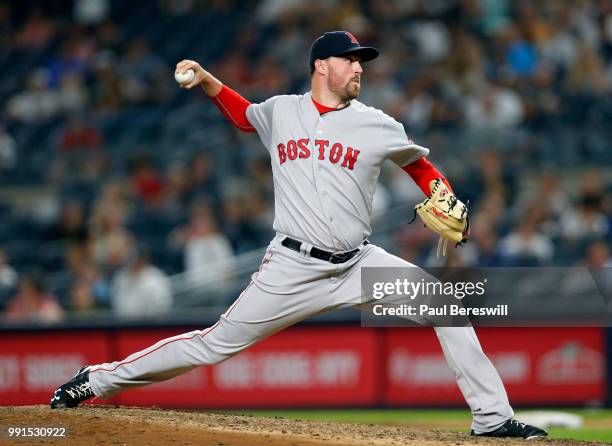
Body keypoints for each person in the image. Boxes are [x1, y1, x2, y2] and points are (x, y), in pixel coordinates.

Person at [50, 31, 546, 439]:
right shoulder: (282, 111)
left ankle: (492, 419)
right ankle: (97, 379)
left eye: (361, 62)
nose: (359, 69)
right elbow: (244, 115)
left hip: (358, 264)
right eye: (349, 60)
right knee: (213, 344)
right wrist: (205, 80)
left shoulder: (377, 124)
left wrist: (443, 190)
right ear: (320, 66)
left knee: (445, 307)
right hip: (291, 266)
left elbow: (420, 167)